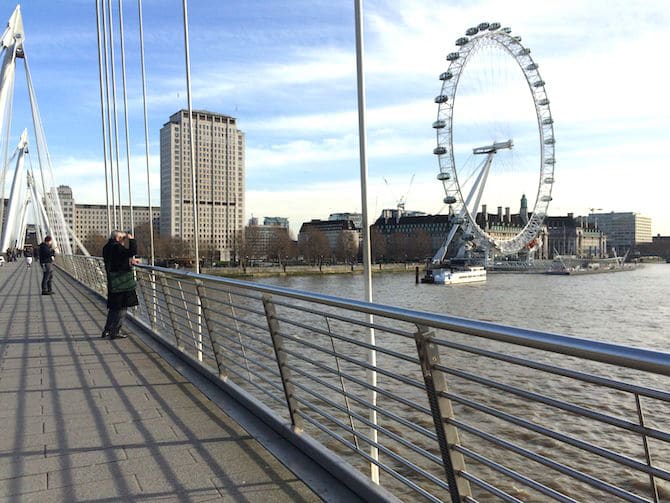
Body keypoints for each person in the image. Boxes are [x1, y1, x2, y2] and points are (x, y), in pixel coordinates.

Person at [102, 230, 139, 339]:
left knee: (113, 308)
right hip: (122, 282)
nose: (124, 241)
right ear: (117, 238)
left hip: (113, 280)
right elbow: (132, 251)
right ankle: (115, 331)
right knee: (122, 307)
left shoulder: (107, 247)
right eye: (123, 238)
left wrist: (128, 262)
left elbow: (116, 260)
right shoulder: (117, 247)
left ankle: (107, 330)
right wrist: (131, 239)